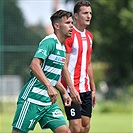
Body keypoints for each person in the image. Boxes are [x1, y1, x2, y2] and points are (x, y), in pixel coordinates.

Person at [11, 9, 73, 133]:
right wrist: (49, 87)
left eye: (72, 22)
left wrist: (64, 92)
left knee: (65, 131)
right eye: (67, 23)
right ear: (57, 25)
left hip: (48, 103)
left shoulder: (62, 47)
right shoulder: (49, 41)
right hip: (32, 99)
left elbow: (52, 77)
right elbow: (34, 65)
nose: (71, 26)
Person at [61, 1, 96, 133]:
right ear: (76, 15)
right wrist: (70, 88)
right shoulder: (69, 35)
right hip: (71, 88)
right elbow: (64, 64)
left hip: (85, 88)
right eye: (85, 13)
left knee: (85, 127)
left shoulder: (89, 36)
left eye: (90, 13)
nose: (89, 16)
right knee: (75, 127)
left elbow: (89, 63)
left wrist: (93, 88)